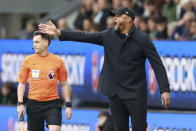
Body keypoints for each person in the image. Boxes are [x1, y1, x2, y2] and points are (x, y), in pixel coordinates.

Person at [39, 7, 170, 131]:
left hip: (136, 94)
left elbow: (157, 64)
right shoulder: (109, 35)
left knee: (139, 128)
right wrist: (60, 32)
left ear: (128, 19)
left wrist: (164, 90)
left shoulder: (143, 39)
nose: (114, 19)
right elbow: (85, 36)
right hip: (115, 93)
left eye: (118, 17)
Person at [17, 31, 72, 131]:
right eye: (33, 42)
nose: (34, 45)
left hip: (52, 104)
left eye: (37, 42)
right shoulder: (28, 60)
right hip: (33, 105)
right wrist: (20, 104)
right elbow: (22, 83)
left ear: (46, 43)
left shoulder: (58, 61)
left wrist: (68, 105)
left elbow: (64, 84)